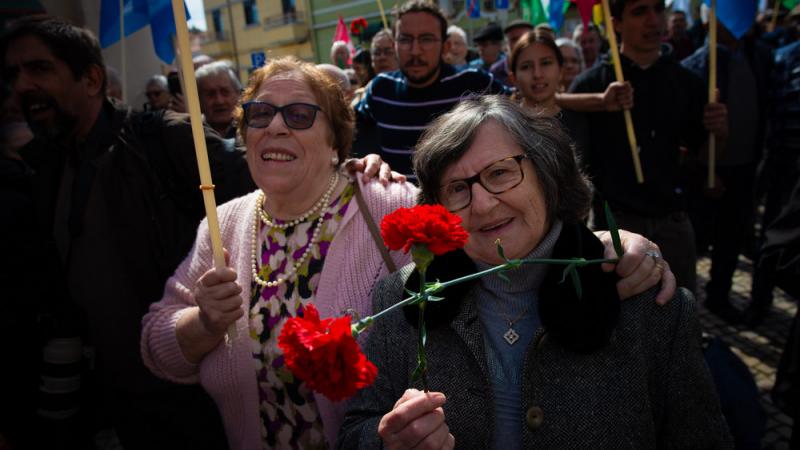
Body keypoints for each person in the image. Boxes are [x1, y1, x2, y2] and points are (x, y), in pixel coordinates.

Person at [141, 55, 677, 449]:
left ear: (337, 141)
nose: (276, 125)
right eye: (259, 115)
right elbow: (156, 348)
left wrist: (604, 246)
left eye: (300, 115)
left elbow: (497, 244)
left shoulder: (385, 204)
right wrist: (204, 324)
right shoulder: (223, 223)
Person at [337, 95, 732, 450]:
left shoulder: (648, 300)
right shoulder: (404, 299)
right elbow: (357, 429)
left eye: (500, 173)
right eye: (457, 188)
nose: (484, 204)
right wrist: (386, 442)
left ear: (548, 173)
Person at [569, 0, 729, 294]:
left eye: (658, 9)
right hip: (615, 229)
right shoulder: (589, 87)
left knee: (680, 319)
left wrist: (718, 133)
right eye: (639, 11)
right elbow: (577, 171)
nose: (653, 20)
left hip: (674, 224)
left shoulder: (687, 82)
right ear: (615, 22)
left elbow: (706, 159)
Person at [354, 1, 508, 177]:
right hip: (396, 202)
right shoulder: (380, 90)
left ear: (445, 46)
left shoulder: (475, 83)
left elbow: (520, 119)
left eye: (426, 39)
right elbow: (350, 136)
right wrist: (368, 158)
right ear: (394, 44)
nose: (415, 51)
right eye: (405, 39)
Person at [681, 21, 772, 321]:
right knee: (697, 242)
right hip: (708, 174)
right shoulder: (696, 66)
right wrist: (705, 169)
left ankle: (719, 295)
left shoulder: (761, 56)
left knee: (731, 239)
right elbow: (686, 134)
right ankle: (685, 308)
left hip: (747, 169)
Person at [509, 29, 590, 159]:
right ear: (514, 78)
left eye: (546, 63)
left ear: (561, 70)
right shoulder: (506, 128)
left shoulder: (580, 121)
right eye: (526, 67)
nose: (537, 74)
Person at [196, 60, 241, 139]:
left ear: (238, 94)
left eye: (225, 92)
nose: (219, 101)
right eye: (210, 94)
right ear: (199, 99)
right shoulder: (193, 134)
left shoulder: (251, 128)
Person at [489, 19, 534, 87]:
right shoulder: (495, 71)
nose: (520, 43)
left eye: (525, 38)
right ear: (506, 44)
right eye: (514, 39)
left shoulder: (541, 67)